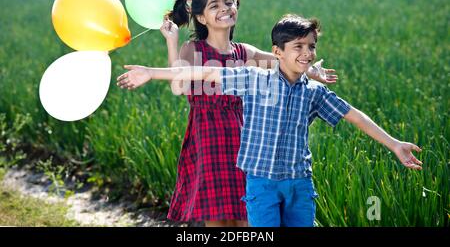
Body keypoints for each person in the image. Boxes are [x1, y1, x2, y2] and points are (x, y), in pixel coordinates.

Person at [117, 14, 423, 227]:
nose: (307, 54)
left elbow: (354, 115)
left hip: (300, 184)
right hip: (262, 184)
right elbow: (206, 72)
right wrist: (152, 72)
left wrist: (394, 144)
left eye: (311, 47)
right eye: (298, 47)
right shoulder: (256, 79)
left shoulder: (314, 92)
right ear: (277, 52)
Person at [118, 0, 336, 227]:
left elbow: (284, 61)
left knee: (248, 214)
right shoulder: (193, 49)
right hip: (208, 138)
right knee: (218, 217)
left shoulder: (245, 53)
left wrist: (312, 72)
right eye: (214, 5)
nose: (224, 8)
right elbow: (178, 86)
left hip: (245, 138)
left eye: (228, 1)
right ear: (201, 18)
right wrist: (172, 42)